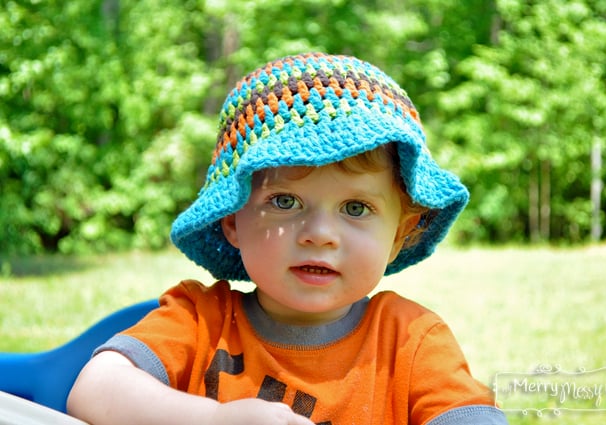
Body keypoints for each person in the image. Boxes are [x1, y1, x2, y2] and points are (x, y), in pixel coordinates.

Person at [67, 52, 508, 425]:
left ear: (399, 234)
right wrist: (214, 418)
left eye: (356, 208)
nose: (319, 235)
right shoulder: (201, 321)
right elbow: (93, 388)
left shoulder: (412, 342)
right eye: (285, 202)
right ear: (232, 221)